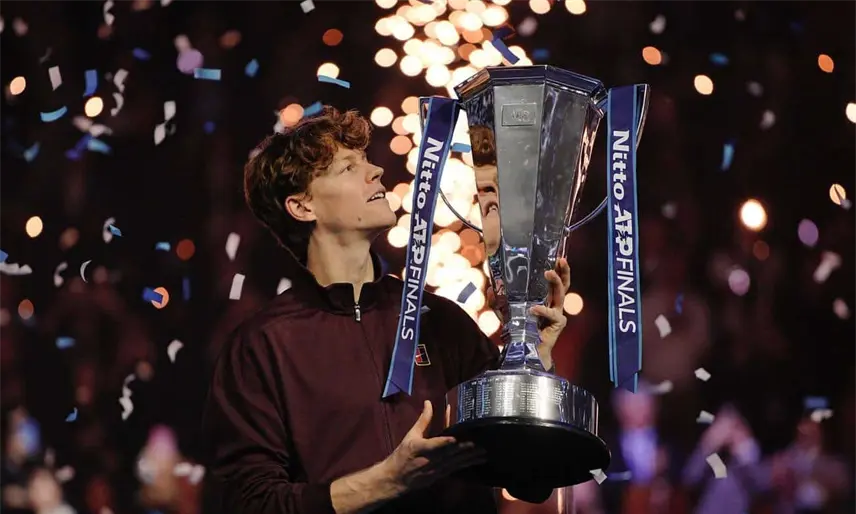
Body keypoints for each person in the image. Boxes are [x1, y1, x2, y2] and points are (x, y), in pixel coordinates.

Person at [202, 106, 571, 514]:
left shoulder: (442, 322)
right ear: (302, 207)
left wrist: (534, 363)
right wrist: (384, 483)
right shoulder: (261, 346)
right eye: (347, 168)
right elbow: (249, 503)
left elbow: (530, 478)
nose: (376, 171)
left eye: (367, 161)